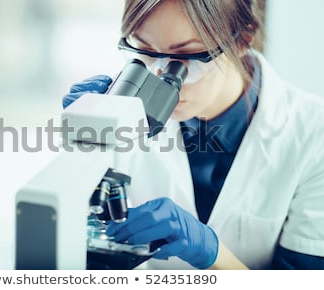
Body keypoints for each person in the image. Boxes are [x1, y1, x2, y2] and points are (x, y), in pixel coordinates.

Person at [62, 0, 324, 269]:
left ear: (242, 40)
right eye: (144, 50)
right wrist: (85, 141)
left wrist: (213, 254)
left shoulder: (314, 134)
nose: (161, 74)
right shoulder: (127, 112)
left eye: (187, 57)